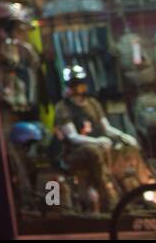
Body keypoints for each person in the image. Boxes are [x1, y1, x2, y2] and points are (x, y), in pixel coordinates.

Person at [55, 65, 145, 213]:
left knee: (129, 149)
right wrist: (97, 141)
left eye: (80, 83)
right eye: (75, 84)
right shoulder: (63, 107)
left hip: (102, 144)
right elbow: (72, 137)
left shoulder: (93, 104)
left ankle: (145, 189)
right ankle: (111, 199)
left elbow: (106, 128)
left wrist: (123, 136)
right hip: (76, 151)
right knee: (94, 151)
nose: (79, 87)